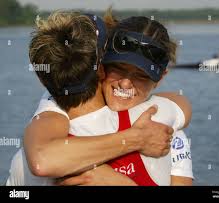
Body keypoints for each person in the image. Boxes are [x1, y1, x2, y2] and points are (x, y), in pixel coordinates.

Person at [6, 11, 193, 186]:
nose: (126, 84)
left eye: (141, 76)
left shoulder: (23, 161)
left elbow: (181, 105)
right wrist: (137, 139)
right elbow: (42, 160)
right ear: (101, 65)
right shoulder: (160, 126)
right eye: (118, 68)